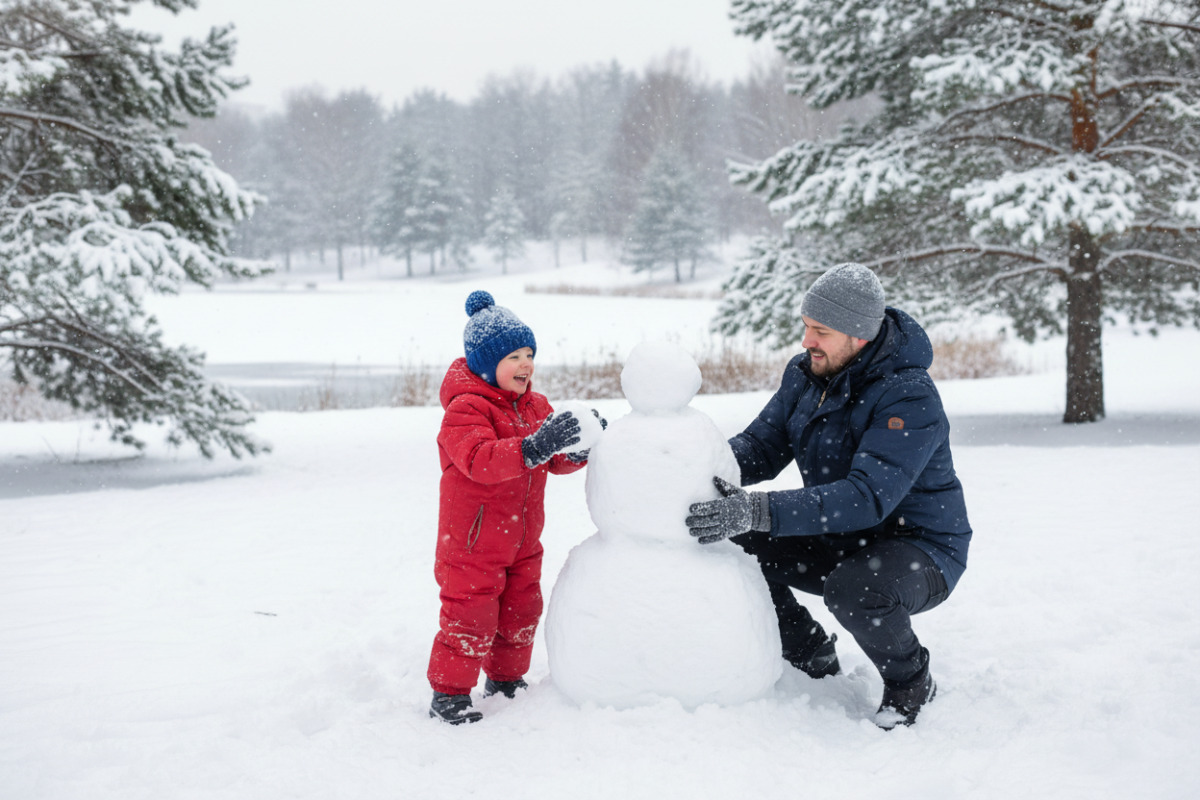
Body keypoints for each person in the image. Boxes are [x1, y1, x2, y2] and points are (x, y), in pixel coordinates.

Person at [685, 263, 971, 729]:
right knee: (733, 544)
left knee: (856, 588)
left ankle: (911, 680)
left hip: (923, 548)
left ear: (859, 335)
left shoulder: (908, 396)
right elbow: (761, 445)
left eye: (820, 331)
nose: (806, 342)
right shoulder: (805, 374)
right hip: (840, 536)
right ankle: (806, 648)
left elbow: (867, 496)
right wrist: (692, 466)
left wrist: (757, 510)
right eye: (805, 327)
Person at [427, 290, 597, 724]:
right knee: (471, 616)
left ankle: (506, 681)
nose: (526, 365)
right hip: (472, 544)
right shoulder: (465, 410)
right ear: (487, 365)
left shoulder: (536, 406)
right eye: (514, 357)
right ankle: (449, 694)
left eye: (529, 354)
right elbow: (481, 459)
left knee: (521, 610)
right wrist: (534, 445)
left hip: (522, 539)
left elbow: (551, 458)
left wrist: (578, 448)